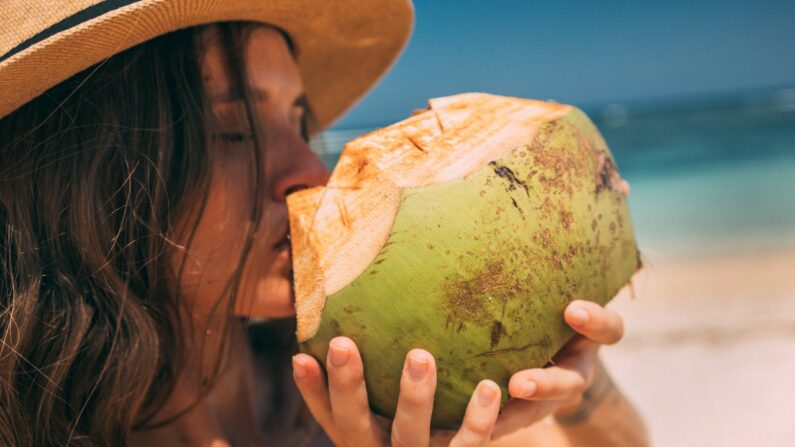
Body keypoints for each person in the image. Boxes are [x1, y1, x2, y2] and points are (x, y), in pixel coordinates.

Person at [0, 1, 648, 446]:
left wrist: (573, 384)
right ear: (83, 184)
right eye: (231, 130)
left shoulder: (386, 382)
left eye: (299, 121)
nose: (312, 168)